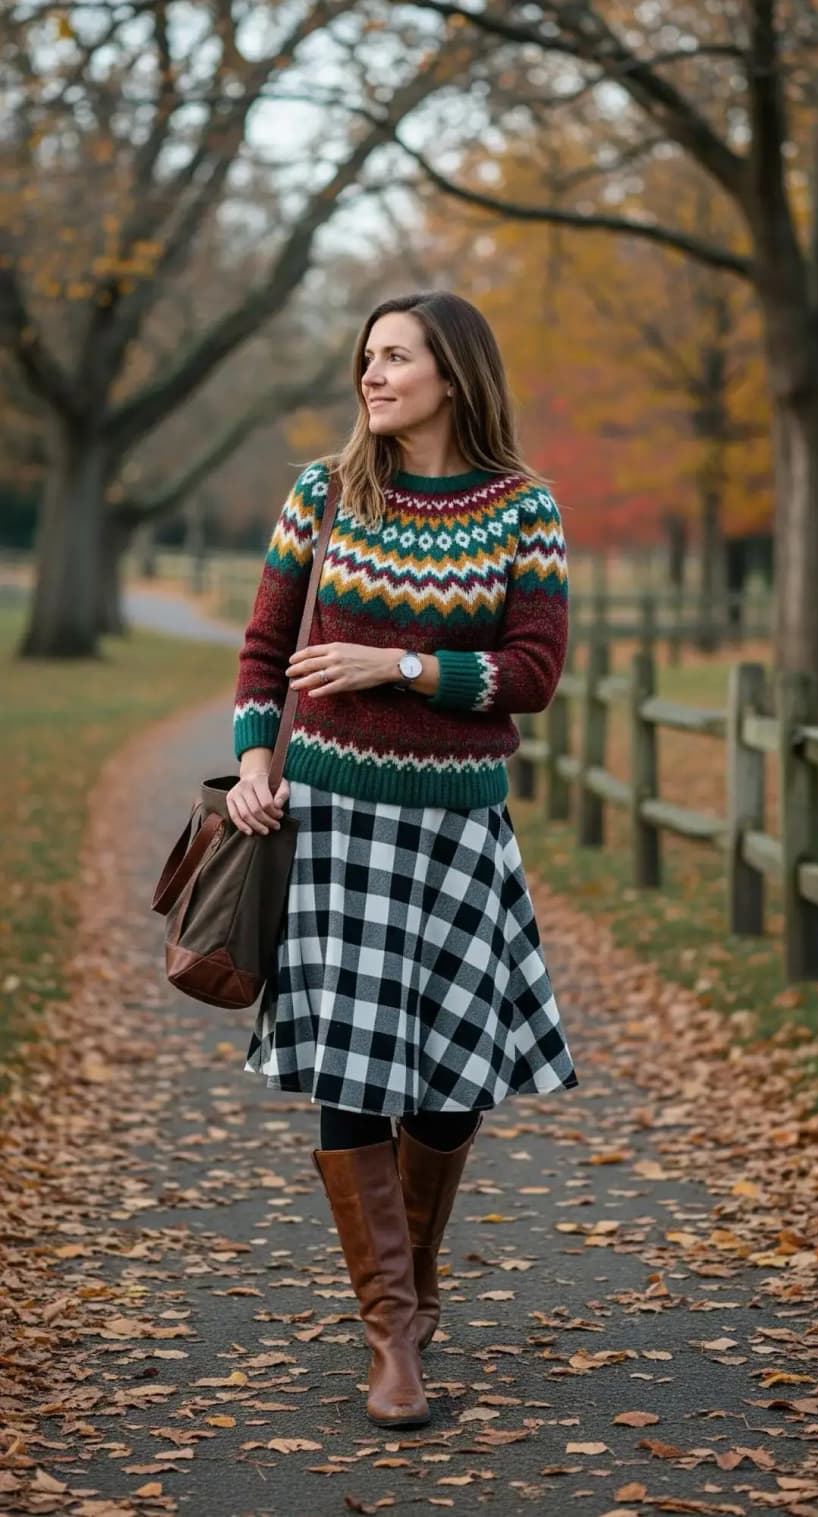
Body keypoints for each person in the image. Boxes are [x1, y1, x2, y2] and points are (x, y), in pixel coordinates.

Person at [227, 290, 578, 1430]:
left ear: (453, 373)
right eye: (366, 357)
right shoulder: (323, 494)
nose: (371, 375)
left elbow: (531, 671)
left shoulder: (523, 509)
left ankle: (419, 1287)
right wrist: (250, 765)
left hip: (456, 825)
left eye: (394, 357)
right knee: (352, 1072)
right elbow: (264, 649)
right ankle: (392, 1334)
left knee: (450, 1078)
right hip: (329, 817)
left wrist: (405, 668)